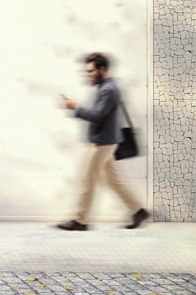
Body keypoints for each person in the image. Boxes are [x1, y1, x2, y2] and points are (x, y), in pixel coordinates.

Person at [58, 52, 150, 231]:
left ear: (102, 69)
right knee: (114, 181)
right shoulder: (106, 87)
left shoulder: (108, 89)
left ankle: (80, 220)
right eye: (87, 72)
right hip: (107, 141)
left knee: (87, 179)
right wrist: (79, 106)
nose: (88, 75)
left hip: (104, 143)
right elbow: (101, 113)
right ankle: (139, 211)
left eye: (91, 71)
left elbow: (97, 116)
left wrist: (75, 107)